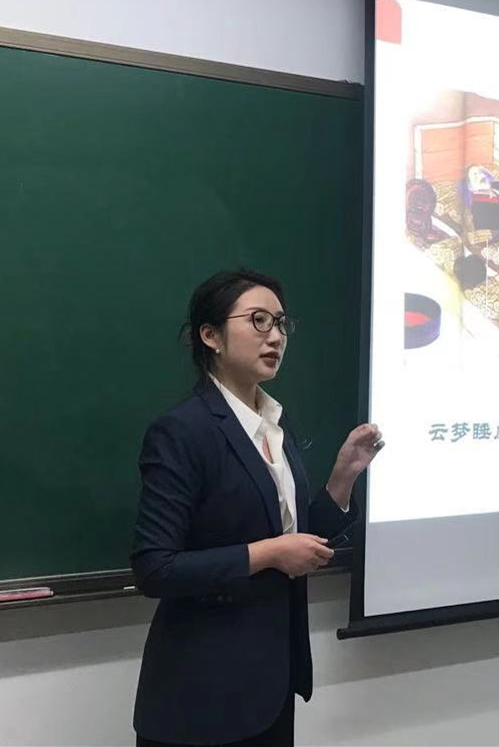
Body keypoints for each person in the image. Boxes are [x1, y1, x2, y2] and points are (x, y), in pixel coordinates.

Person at [131, 269, 382, 746]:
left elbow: (297, 541)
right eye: (259, 321)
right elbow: (155, 568)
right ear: (211, 336)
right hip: (202, 695)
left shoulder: (274, 425)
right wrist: (267, 554)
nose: (276, 336)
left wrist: (343, 477)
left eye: (281, 323)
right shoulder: (183, 431)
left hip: (271, 685)